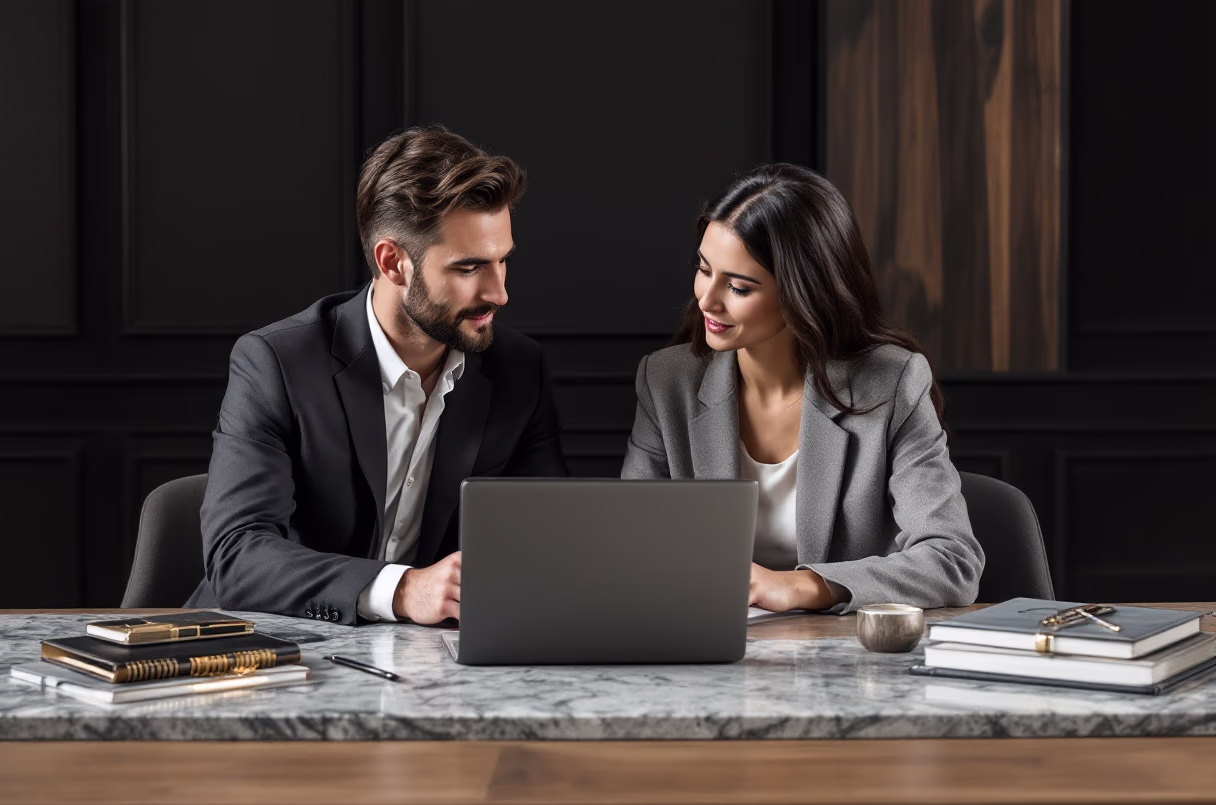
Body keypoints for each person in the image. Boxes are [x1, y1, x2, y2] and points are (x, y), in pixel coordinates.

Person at [186, 126, 567, 625]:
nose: (499, 293)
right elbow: (237, 555)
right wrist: (404, 589)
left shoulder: (519, 369)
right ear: (393, 263)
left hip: (431, 662)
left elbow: (549, 540)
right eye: (470, 267)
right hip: (263, 650)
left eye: (503, 262)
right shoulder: (276, 362)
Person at [621, 163, 983, 613]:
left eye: (737, 286)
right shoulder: (666, 381)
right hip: (706, 650)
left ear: (802, 293)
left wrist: (795, 587)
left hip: (845, 663)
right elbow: (630, 547)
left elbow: (952, 561)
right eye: (703, 269)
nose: (706, 299)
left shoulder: (892, 383)